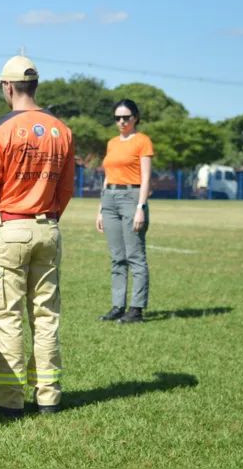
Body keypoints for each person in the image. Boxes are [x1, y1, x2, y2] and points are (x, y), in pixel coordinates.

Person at [0, 55, 75, 417]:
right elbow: (66, 190)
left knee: (8, 318)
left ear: (8, 87)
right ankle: (48, 397)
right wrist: (48, 220)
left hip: (9, 230)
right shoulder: (62, 130)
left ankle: (11, 401)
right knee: (46, 317)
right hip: (49, 229)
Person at [96, 99, 153, 324]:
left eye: (126, 117)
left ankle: (136, 309)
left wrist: (141, 207)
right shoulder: (112, 143)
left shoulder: (143, 141)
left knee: (135, 256)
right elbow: (108, 176)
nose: (121, 122)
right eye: (117, 118)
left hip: (132, 197)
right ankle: (118, 306)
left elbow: (146, 177)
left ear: (135, 118)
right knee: (117, 257)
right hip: (109, 198)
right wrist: (101, 209)